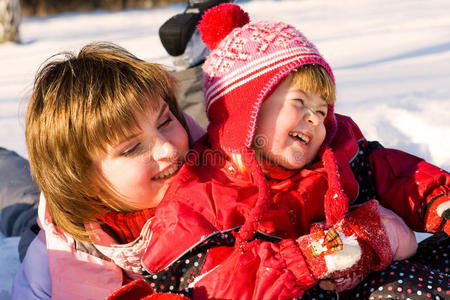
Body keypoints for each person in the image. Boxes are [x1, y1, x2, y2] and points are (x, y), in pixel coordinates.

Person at [137, 3, 450, 299]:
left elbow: (398, 175)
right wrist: (302, 260)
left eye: (322, 109)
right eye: (299, 102)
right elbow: (202, 284)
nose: (315, 118)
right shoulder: (201, 202)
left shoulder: (337, 157)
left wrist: (439, 199)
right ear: (246, 112)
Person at [10, 42, 205, 299]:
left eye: (166, 121)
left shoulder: (223, 179)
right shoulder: (50, 265)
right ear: (84, 182)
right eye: (132, 148)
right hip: (65, 225)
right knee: (20, 206)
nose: (168, 149)